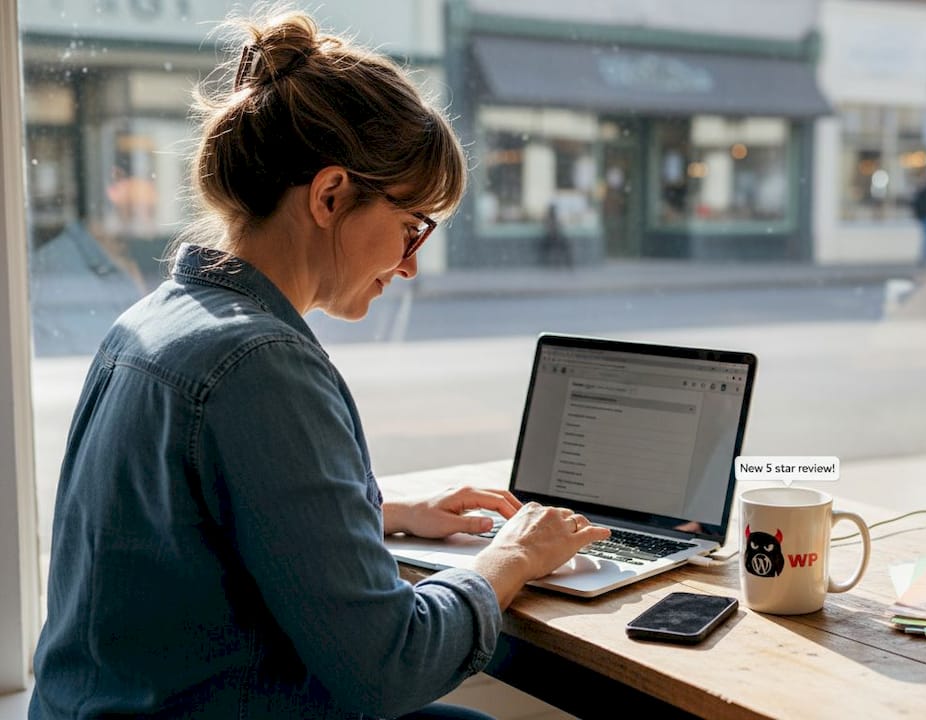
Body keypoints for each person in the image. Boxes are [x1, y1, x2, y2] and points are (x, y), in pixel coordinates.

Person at [28, 11, 610, 720]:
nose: (410, 264)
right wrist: (513, 556)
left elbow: (195, 528)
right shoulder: (259, 363)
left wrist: (385, 513)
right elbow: (391, 666)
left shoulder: (153, 323)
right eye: (410, 227)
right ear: (331, 195)